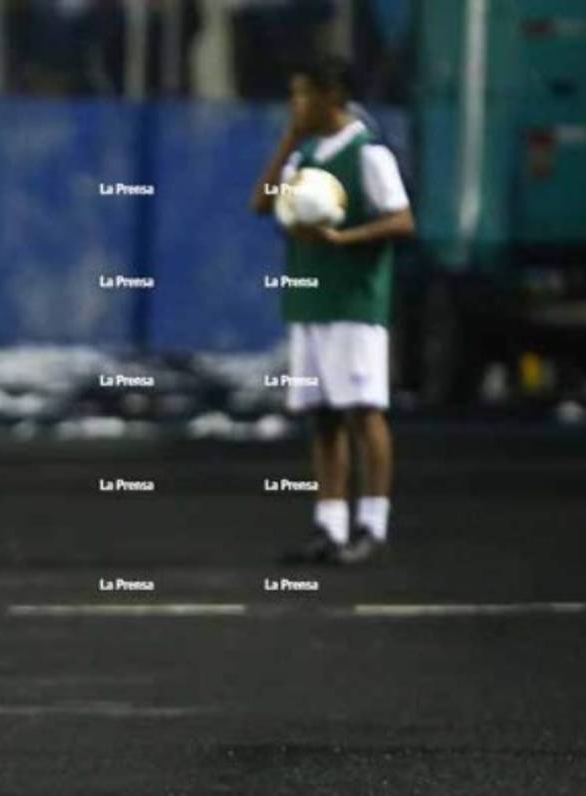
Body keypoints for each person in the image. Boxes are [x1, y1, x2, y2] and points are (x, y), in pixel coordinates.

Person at [249, 55, 414, 565]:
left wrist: (346, 238)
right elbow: (262, 202)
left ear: (331, 96)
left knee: (364, 412)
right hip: (310, 301)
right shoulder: (307, 154)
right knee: (322, 418)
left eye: (303, 94)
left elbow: (402, 221)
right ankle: (331, 524)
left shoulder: (368, 155)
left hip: (353, 302)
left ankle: (373, 524)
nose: (295, 105)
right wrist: (285, 143)